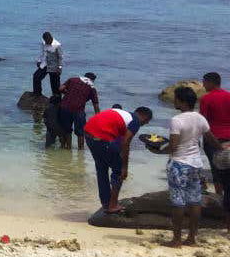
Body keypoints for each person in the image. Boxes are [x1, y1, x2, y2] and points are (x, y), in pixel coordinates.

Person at [164, 86, 218, 247]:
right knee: (195, 201)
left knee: (178, 202)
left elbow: (173, 146)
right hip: (196, 164)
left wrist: (158, 150)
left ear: (182, 101)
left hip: (179, 164)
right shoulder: (200, 118)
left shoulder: (176, 120)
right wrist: (222, 148)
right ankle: (192, 238)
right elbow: (210, 139)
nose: (174, 101)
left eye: (176, 98)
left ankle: (176, 239)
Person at [83, 106, 152, 214]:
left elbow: (119, 143)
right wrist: (124, 167)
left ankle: (106, 204)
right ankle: (113, 205)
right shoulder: (135, 121)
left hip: (88, 133)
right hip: (101, 136)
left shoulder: (124, 116)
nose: (146, 123)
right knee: (119, 172)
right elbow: (126, 142)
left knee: (102, 169)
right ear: (144, 116)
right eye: (147, 121)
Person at [199, 71, 230, 230]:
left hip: (214, 140)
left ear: (211, 82)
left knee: (217, 175)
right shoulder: (229, 96)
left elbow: (202, 122)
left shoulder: (206, 99)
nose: (203, 85)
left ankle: (221, 208)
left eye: (204, 82)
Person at [58, 72, 100, 149]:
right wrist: (98, 118)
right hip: (78, 110)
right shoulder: (92, 88)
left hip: (65, 107)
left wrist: (67, 93)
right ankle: (80, 150)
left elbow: (60, 88)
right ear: (93, 80)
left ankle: (68, 148)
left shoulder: (72, 79)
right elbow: (95, 105)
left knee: (67, 130)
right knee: (80, 133)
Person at [32, 32, 63, 96]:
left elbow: (60, 57)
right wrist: (39, 60)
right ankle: (37, 93)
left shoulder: (57, 45)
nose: (46, 42)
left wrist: (60, 68)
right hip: (44, 64)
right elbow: (42, 53)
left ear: (51, 38)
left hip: (54, 66)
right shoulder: (44, 43)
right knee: (36, 76)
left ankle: (57, 98)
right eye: (45, 41)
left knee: (54, 84)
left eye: (48, 41)